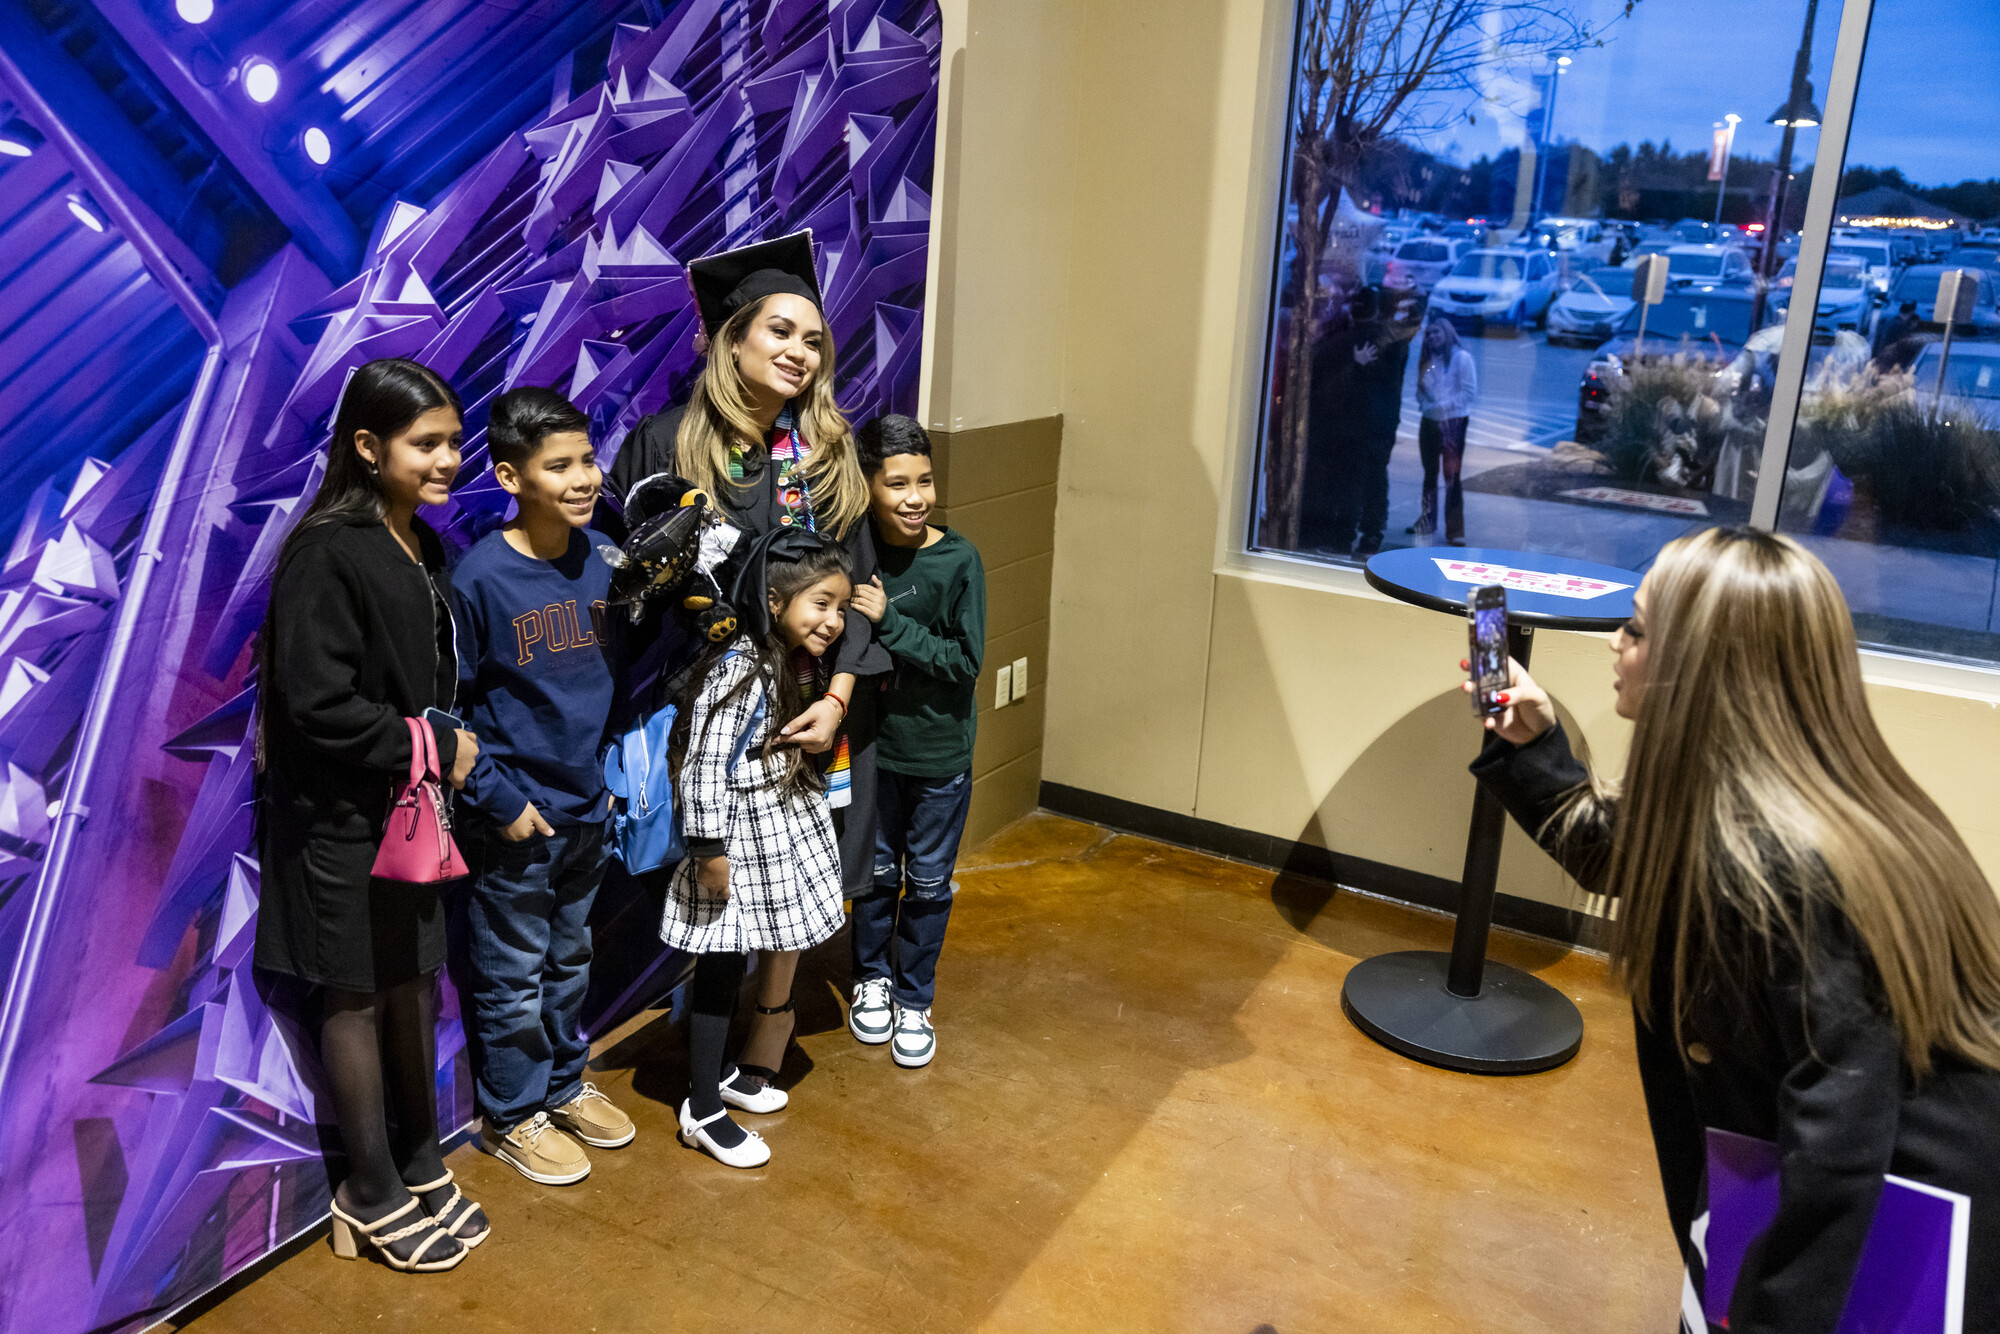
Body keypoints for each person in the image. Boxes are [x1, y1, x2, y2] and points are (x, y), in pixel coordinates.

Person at [1466, 526, 2000, 1332]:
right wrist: (1534, 745)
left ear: (1702, 669)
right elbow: (1636, 858)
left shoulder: (1794, 872)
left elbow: (1837, 1162)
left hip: (1905, 1224)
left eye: (1638, 629)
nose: (1616, 641)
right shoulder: (1775, 806)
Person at [603, 232, 889, 1089]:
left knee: (804, 870)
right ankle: (709, 1021)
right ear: (732, 339)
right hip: (712, 708)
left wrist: (838, 696)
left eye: (812, 341)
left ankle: (772, 1019)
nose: (799, 353)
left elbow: (864, 590)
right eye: (779, 333)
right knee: (724, 878)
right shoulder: (664, 445)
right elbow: (631, 594)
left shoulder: (830, 452)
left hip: (818, 701)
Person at [255, 357, 485, 1273]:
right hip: (338, 820)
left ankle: (420, 1158)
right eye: (425, 444)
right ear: (367, 445)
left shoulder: (420, 544)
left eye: (454, 442)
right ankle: (370, 1189)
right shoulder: (327, 548)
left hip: (409, 815)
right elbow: (313, 702)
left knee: (413, 980)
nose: (447, 460)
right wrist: (431, 750)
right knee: (351, 992)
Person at [449, 386, 633, 1188]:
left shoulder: (601, 559)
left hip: (588, 809)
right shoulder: (480, 579)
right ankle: (513, 1113)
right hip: (520, 822)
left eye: (587, 459)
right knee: (512, 978)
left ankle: (562, 1085)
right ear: (509, 476)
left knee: (569, 962)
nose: (584, 477)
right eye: (559, 465)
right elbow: (446, 711)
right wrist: (502, 804)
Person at [663, 530, 854, 1167]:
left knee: (733, 961)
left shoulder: (785, 658)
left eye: (840, 608)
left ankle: (713, 1086)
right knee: (718, 964)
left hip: (774, 823)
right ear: (774, 601)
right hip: (737, 838)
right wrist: (710, 849)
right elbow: (700, 766)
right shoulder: (743, 667)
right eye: (820, 604)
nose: (832, 621)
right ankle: (701, 1108)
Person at [845, 416, 986, 1068]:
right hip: (875, 753)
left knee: (928, 883)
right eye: (896, 482)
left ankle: (913, 996)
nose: (914, 496)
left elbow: (964, 661)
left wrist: (890, 621)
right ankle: (870, 978)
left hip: (938, 757)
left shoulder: (958, 560)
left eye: (924, 480)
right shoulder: (859, 555)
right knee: (873, 877)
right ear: (868, 487)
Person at [1410, 318, 1476, 545]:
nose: (1432, 337)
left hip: (1453, 423)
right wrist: (1426, 405)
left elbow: (1468, 392)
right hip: (1429, 422)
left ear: (1448, 332)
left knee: (1452, 478)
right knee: (1429, 475)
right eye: (1428, 334)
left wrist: (1442, 407)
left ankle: (1455, 530)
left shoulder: (1461, 358)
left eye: (1436, 332)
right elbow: (1420, 391)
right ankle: (1427, 521)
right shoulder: (1428, 361)